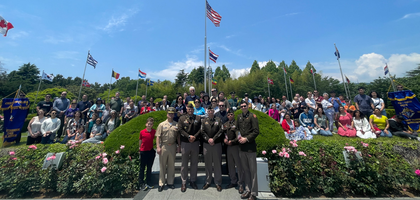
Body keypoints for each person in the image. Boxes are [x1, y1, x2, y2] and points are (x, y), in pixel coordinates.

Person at [236, 100, 259, 200]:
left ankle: (253, 193)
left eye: (245, 106)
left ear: (248, 106)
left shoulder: (252, 116)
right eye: (241, 106)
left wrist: (247, 139)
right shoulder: (239, 117)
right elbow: (236, 129)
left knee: (253, 171)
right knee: (245, 170)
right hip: (242, 147)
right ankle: (247, 189)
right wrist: (239, 137)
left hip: (250, 148)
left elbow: (256, 131)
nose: (243, 107)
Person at [178, 104, 202, 192]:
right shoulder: (182, 118)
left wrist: (194, 137)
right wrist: (188, 136)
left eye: (192, 108)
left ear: (193, 109)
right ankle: (184, 182)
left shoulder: (198, 118)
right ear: (187, 109)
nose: (190, 110)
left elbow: (200, 129)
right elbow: (180, 129)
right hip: (185, 143)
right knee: (184, 164)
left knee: (194, 163)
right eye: (188, 108)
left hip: (195, 142)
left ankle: (193, 180)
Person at [156, 107, 180, 192]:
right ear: (167, 114)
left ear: (174, 115)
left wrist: (179, 146)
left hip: (173, 146)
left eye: (172, 113)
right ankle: (161, 183)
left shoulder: (176, 125)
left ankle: (170, 182)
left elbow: (178, 137)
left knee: (171, 165)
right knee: (162, 165)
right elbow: (158, 136)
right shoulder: (161, 124)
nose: (171, 115)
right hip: (164, 146)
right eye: (169, 113)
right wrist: (158, 147)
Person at [200, 105, 223, 192]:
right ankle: (208, 181)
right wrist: (208, 139)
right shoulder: (204, 121)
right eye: (209, 110)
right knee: (208, 164)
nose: (210, 112)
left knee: (217, 164)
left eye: (212, 110)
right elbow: (202, 132)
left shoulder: (218, 120)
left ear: (214, 111)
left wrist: (214, 139)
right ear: (207, 111)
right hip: (207, 144)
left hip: (216, 144)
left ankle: (218, 182)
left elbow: (221, 130)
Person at [223, 109, 244, 193]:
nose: (230, 116)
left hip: (235, 146)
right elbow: (223, 134)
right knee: (230, 165)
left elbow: (239, 135)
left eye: (231, 114)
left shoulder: (237, 123)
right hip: (228, 146)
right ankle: (233, 181)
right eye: (229, 115)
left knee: (238, 165)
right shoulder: (225, 124)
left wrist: (233, 141)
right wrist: (225, 140)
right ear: (227, 116)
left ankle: (241, 184)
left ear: (233, 115)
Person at [139, 117, 157, 191]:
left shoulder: (154, 131)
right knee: (142, 168)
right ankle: (141, 183)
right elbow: (140, 140)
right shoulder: (142, 132)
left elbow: (157, 138)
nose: (150, 125)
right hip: (143, 151)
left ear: (152, 125)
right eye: (148, 123)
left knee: (149, 168)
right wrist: (139, 148)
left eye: (151, 124)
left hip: (150, 151)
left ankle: (148, 182)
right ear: (146, 124)